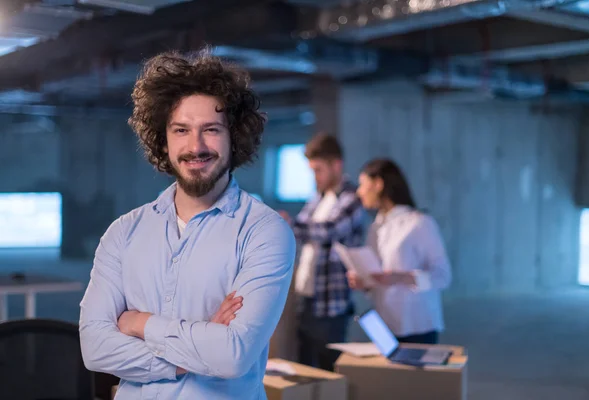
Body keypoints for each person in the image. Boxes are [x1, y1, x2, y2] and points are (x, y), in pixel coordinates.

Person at [79, 50, 296, 400]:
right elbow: (95, 348)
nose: (195, 146)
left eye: (211, 130)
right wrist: (199, 346)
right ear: (163, 138)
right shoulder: (123, 233)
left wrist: (140, 324)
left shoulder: (264, 232)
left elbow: (234, 354)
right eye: (181, 130)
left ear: (233, 136)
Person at [279, 133, 366, 371]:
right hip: (306, 300)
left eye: (318, 170)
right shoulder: (318, 198)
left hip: (331, 307)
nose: (314, 177)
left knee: (328, 374)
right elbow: (302, 230)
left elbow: (329, 230)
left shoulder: (352, 199)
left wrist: (290, 224)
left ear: (336, 165)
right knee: (305, 372)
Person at [349, 158, 451, 344]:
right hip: (384, 326)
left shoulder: (419, 223)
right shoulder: (376, 227)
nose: (359, 192)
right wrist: (364, 283)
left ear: (378, 184)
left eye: (363, 185)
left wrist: (401, 278)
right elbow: (378, 279)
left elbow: (443, 276)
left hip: (416, 325)